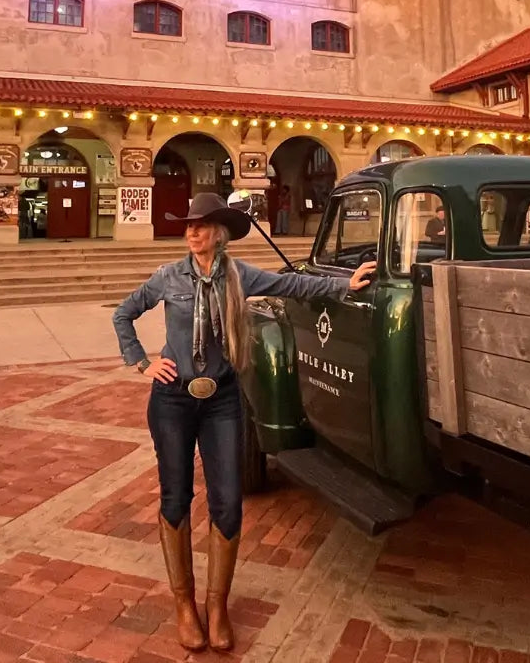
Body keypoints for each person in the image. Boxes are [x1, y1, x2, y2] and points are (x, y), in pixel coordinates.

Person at [112, 192, 374, 652]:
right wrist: (142, 363)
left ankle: (217, 606)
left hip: (223, 400)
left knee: (228, 501)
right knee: (175, 496)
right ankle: (183, 605)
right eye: (188, 224)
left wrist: (343, 285)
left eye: (201, 225)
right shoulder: (168, 277)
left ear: (219, 233)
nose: (191, 232)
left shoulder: (239, 275)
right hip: (172, 399)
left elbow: (293, 287)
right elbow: (124, 314)